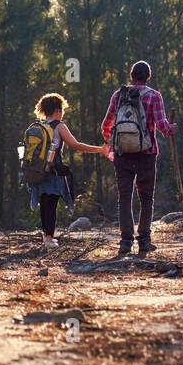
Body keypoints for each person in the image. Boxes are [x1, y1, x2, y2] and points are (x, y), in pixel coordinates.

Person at [100, 60, 175, 255]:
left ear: (131, 75)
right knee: (146, 198)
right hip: (147, 154)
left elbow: (106, 125)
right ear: (148, 76)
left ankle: (125, 242)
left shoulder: (118, 95)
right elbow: (162, 125)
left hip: (122, 155)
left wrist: (116, 143)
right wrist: (171, 129)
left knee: (124, 197)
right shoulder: (154, 96)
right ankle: (144, 240)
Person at [28, 92, 108, 248]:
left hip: (37, 171)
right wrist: (100, 149)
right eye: (62, 109)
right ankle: (49, 239)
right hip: (53, 171)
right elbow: (76, 145)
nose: (62, 113)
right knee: (51, 203)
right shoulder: (59, 126)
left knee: (45, 203)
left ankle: (46, 237)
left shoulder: (38, 126)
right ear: (58, 110)